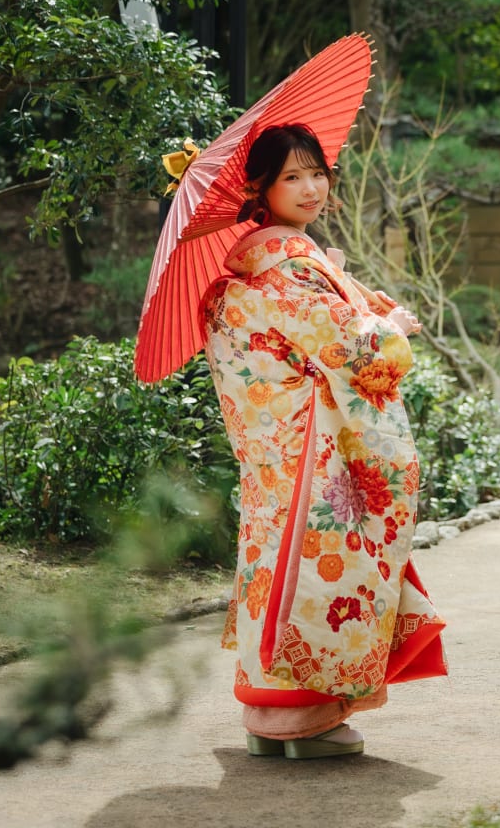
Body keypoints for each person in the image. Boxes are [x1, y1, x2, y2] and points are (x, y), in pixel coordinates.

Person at [200, 123, 447, 759]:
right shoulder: (289, 270)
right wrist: (392, 327)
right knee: (320, 570)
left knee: (275, 567)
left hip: (275, 457)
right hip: (319, 454)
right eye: (292, 177)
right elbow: (361, 352)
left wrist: (349, 293)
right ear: (261, 188)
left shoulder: (253, 272)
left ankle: (267, 717)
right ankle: (308, 721)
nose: (311, 188)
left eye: (318, 173)